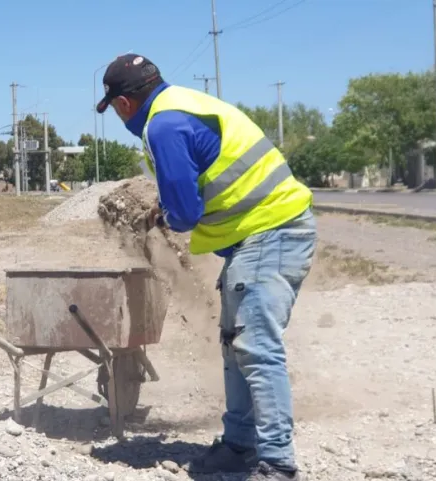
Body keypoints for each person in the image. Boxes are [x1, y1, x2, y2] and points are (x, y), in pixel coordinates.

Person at [96, 54, 316, 481]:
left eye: (116, 111)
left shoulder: (161, 126)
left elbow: (184, 213)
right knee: (236, 346)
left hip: (271, 232)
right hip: (262, 234)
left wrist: (166, 215)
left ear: (123, 104)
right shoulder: (181, 104)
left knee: (256, 348)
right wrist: (168, 207)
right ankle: (239, 446)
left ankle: (277, 463)